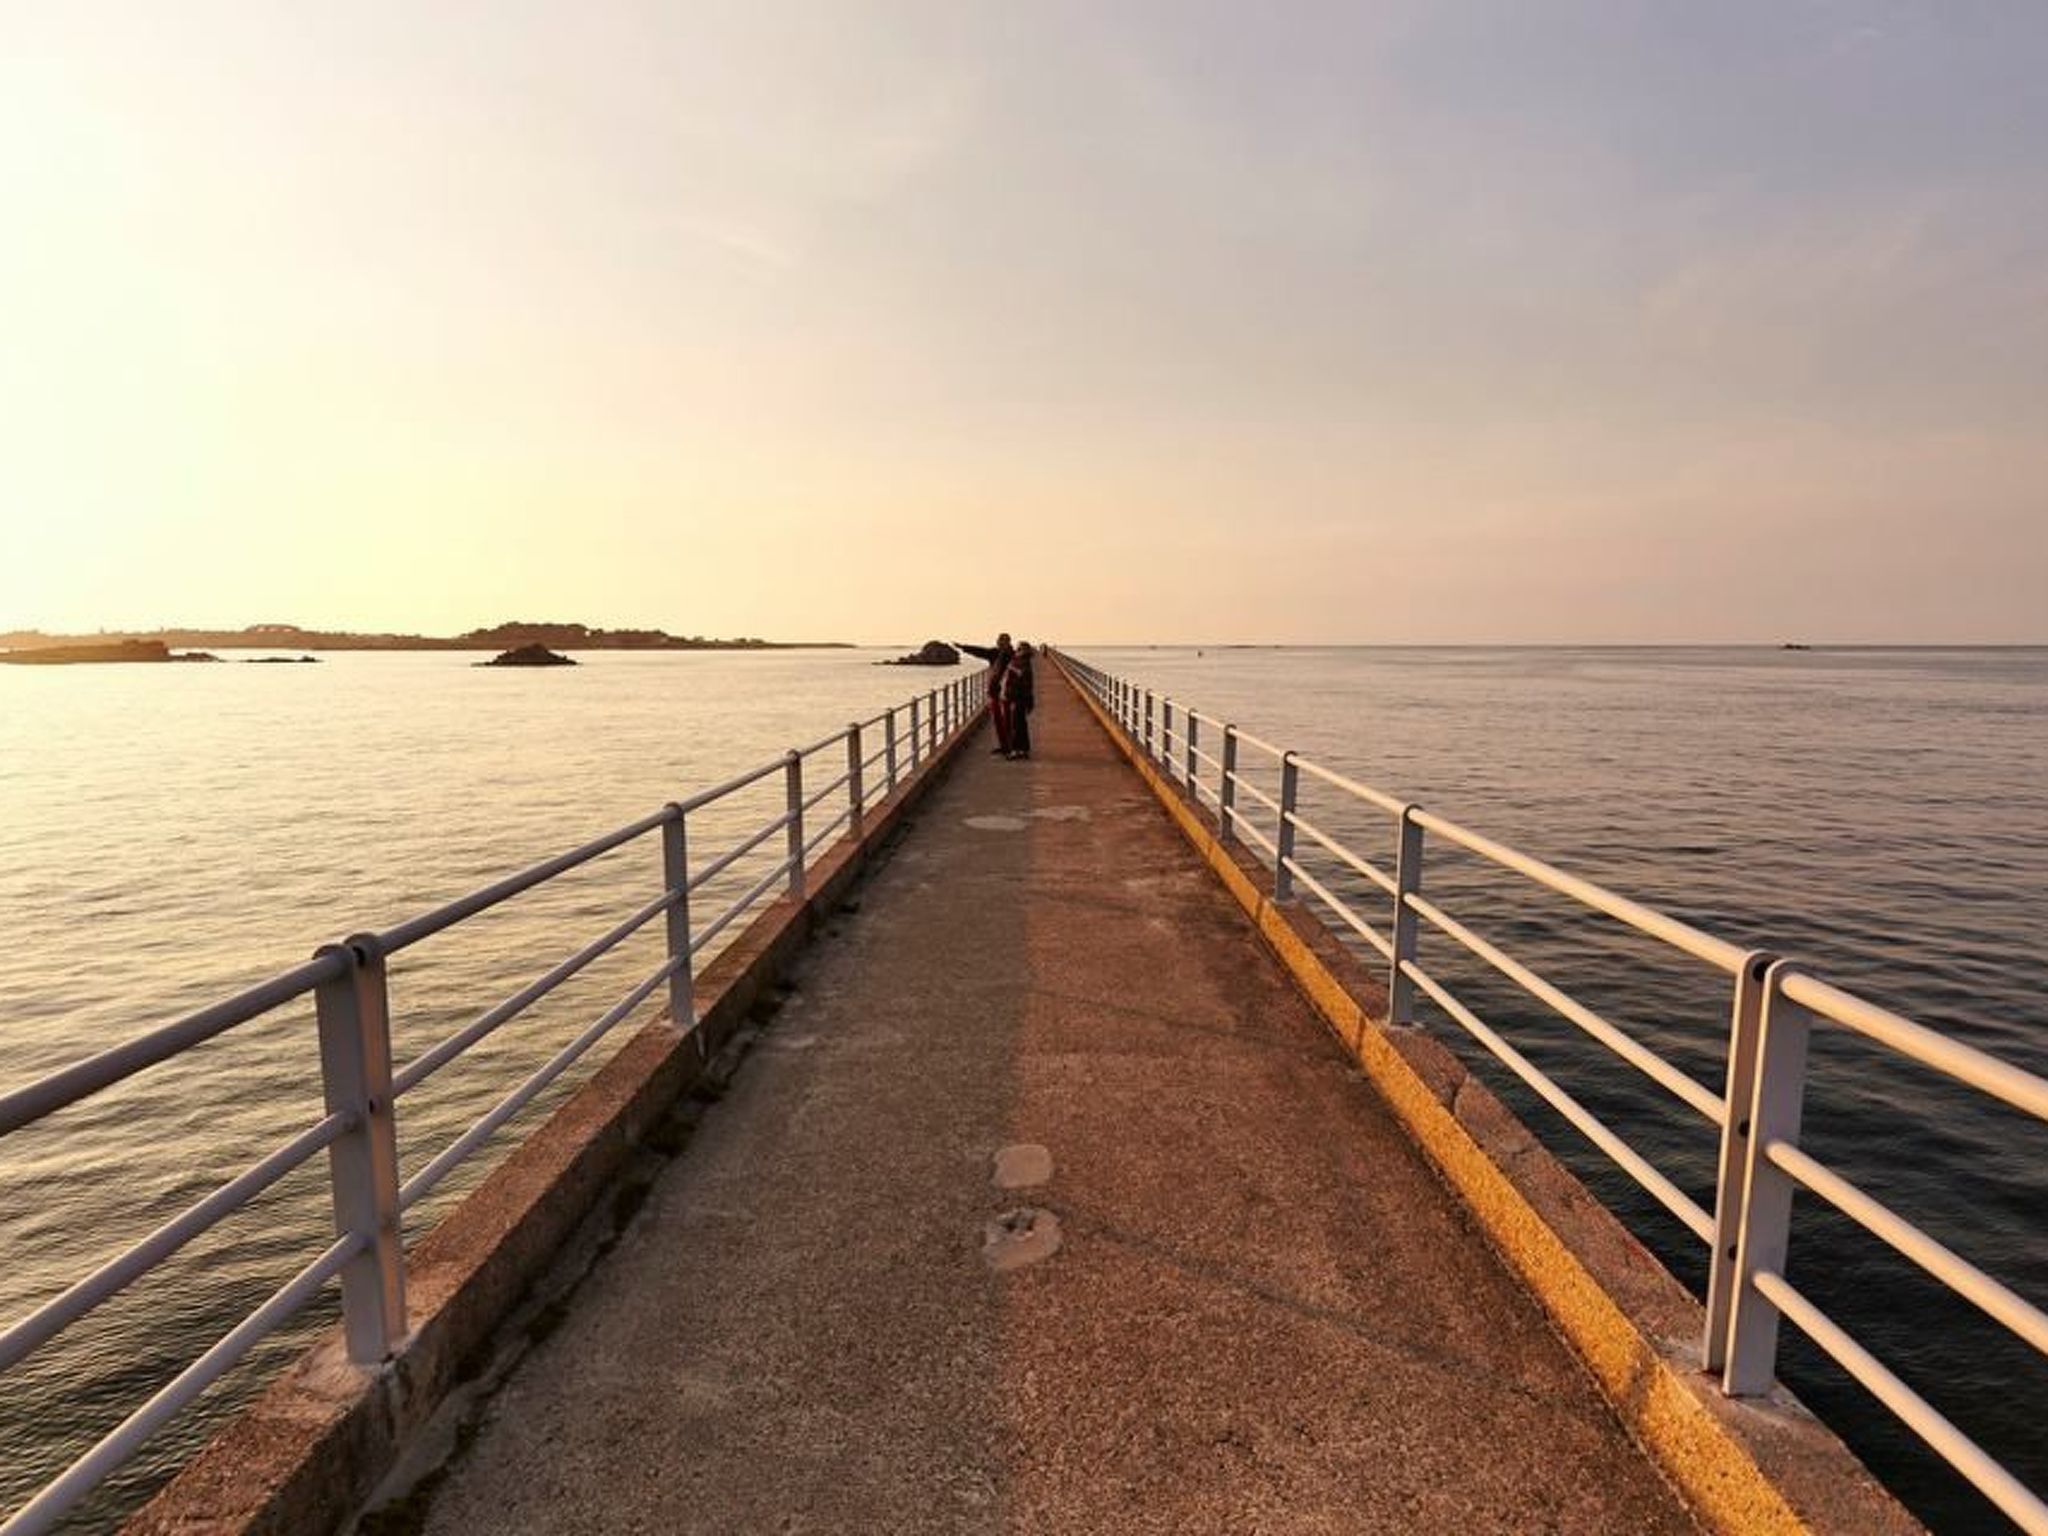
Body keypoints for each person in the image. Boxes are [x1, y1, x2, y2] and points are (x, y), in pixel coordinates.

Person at [955, 632, 1014, 754]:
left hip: (1005, 693)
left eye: (1001, 641)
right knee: (998, 721)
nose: (998, 642)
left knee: (1006, 721)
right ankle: (1004, 746)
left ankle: (1009, 747)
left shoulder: (1011, 655)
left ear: (1007, 642)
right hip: (995, 691)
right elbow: (980, 651)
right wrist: (964, 647)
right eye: (999, 640)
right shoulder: (995, 653)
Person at [1001, 643, 1036, 759]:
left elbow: (1021, 675)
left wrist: (1011, 668)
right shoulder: (1023, 660)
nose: (1017, 650)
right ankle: (1023, 750)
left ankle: (1016, 750)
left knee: (1016, 724)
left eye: (1019, 648)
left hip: (1018, 697)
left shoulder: (1022, 661)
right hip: (1020, 697)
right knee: (1021, 724)